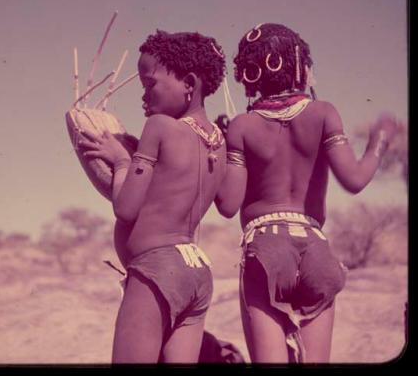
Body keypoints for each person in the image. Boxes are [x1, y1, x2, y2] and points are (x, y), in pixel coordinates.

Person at [214, 22, 398, 363]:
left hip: (265, 248)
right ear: (302, 68)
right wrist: (380, 141)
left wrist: (221, 151)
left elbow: (227, 205)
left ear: (248, 75)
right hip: (316, 248)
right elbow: (355, 180)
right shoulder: (323, 113)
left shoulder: (242, 125)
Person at [77, 30, 227, 363]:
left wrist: (120, 161)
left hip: (156, 270)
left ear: (189, 83)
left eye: (150, 85)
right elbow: (224, 203)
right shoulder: (219, 140)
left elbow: (126, 208)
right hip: (196, 271)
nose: (144, 98)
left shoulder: (160, 127)